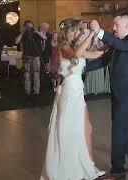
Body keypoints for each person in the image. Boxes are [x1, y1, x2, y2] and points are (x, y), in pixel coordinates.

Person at [40, 18, 105, 180]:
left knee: (87, 129)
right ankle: (68, 167)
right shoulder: (64, 47)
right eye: (78, 30)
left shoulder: (76, 46)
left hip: (77, 91)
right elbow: (76, 55)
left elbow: (96, 54)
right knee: (68, 130)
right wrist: (90, 35)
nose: (80, 32)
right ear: (69, 31)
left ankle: (89, 166)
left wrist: (111, 41)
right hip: (69, 92)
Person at [90, 11, 128, 180]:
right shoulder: (118, 42)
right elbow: (103, 60)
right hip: (118, 92)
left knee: (118, 131)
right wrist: (79, 67)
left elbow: (121, 46)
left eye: (116, 25)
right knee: (123, 128)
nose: (114, 28)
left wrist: (100, 32)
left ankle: (117, 171)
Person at [15, 20, 47, 100]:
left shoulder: (36, 34)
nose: (29, 27)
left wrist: (36, 30)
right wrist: (23, 32)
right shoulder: (24, 34)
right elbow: (16, 41)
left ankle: (36, 91)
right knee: (27, 76)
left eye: (31, 26)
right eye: (28, 26)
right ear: (25, 27)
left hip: (36, 57)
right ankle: (28, 92)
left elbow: (44, 38)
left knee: (36, 75)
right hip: (27, 57)